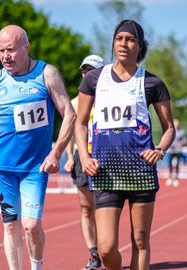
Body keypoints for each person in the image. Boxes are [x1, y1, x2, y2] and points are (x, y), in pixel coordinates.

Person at [75, 19, 175, 270]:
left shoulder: (152, 83)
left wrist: (160, 150)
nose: (123, 43)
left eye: (130, 39)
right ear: (113, 42)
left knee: (140, 241)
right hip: (105, 171)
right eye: (119, 38)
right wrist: (85, 158)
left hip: (140, 170)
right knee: (107, 249)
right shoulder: (94, 79)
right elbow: (81, 123)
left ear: (140, 46)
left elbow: (169, 128)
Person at [0, 25, 76, 270]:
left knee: (30, 225)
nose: (5, 56)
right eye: (1, 51)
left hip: (35, 167)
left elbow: (70, 114)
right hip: (4, 167)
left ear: (26, 47)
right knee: (10, 225)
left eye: (11, 50)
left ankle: (36, 266)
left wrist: (56, 153)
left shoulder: (46, 74)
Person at [64, 54, 104, 270]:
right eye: (84, 70)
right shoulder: (74, 102)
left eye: (92, 70)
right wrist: (69, 157)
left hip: (106, 157)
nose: (87, 74)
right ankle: (94, 254)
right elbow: (69, 133)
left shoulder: (110, 97)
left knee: (106, 207)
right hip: (82, 157)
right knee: (86, 207)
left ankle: (108, 249)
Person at [166, 118, 186, 187]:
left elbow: (184, 141)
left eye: (177, 123)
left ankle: (176, 178)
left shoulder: (181, 132)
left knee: (177, 165)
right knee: (169, 165)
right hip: (170, 151)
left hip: (178, 151)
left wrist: (181, 143)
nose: (176, 124)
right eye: (175, 122)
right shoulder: (169, 131)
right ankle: (170, 178)